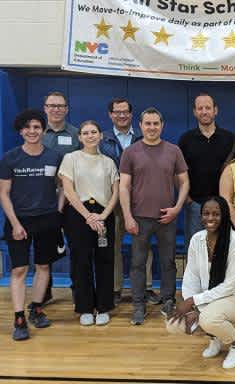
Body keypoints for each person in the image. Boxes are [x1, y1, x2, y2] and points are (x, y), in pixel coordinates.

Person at [167, 196, 235, 370]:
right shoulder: (196, 240)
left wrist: (195, 303)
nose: (210, 218)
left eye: (216, 214)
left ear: (224, 217)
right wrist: (191, 303)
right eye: (206, 214)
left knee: (207, 318)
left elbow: (230, 286)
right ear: (200, 216)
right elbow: (191, 276)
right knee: (173, 324)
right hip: (213, 297)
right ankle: (214, 337)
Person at [0, 109, 65, 341]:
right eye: (27, 127)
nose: (32, 131)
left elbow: (63, 186)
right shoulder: (10, 158)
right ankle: (19, 317)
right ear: (20, 131)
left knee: (43, 266)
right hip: (19, 221)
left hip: (47, 219)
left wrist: (57, 211)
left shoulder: (54, 157)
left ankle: (36, 307)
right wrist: (15, 223)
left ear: (43, 130)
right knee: (19, 269)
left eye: (37, 127)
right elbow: (4, 194)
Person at [119, 107, 189, 325]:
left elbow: (185, 182)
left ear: (162, 125)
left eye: (155, 123)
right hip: (139, 218)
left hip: (166, 218)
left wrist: (177, 208)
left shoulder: (173, 151)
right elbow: (123, 187)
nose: (151, 127)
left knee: (168, 262)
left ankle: (168, 300)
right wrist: (128, 217)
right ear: (140, 126)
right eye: (147, 123)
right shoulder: (130, 152)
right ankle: (139, 305)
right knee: (138, 263)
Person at [59, 120, 119, 326]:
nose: (90, 135)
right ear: (79, 137)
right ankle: (84, 307)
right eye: (85, 132)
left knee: (104, 260)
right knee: (80, 261)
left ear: (101, 135)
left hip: (104, 215)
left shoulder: (109, 162)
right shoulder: (71, 159)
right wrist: (87, 216)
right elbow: (68, 190)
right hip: (78, 215)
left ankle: (103, 306)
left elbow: (115, 193)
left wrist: (102, 216)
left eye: (94, 132)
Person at [99, 97, 156, 305]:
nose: (121, 115)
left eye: (125, 111)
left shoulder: (144, 137)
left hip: (139, 201)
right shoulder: (101, 139)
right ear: (110, 115)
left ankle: (146, 287)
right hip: (111, 202)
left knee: (143, 246)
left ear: (131, 115)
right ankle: (115, 289)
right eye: (117, 112)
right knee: (113, 246)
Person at [178, 93, 234, 249]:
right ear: (195, 112)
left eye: (208, 108)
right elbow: (179, 172)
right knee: (195, 250)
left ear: (215, 110)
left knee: (222, 250)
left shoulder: (229, 139)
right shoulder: (186, 139)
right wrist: (188, 198)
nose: (204, 111)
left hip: (223, 205)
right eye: (200, 108)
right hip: (195, 205)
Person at [42, 91, 80, 305]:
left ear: (66, 109)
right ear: (45, 108)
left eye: (60, 106)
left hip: (72, 200)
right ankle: (45, 291)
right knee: (45, 247)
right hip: (44, 201)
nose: (56, 109)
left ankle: (78, 289)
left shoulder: (76, 134)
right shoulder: (37, 132)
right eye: (51, 105)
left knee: (76, 246)